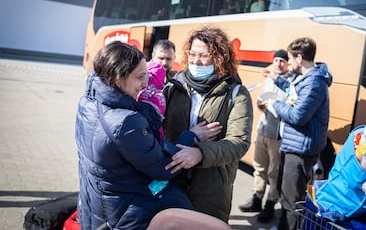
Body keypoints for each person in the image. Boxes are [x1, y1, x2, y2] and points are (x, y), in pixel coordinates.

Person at [75, 41, 197, 230]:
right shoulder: (126, 122)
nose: (145, 84)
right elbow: (163, 168)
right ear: (117, 78)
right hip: (122, 216)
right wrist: (190, 137)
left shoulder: (87, 102)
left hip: (95, 208)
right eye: (140, 77)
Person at [163, 26, 254, 223]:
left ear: (219, 57)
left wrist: (200, 153)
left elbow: (239, 142)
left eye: (203, 56)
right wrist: (192, 136)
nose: (195, 61)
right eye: (192, 54)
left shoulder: (236, 93)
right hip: (172, 181)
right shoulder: (174, 87)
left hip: (212, 189)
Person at [267, 37, 332, 230]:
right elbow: (295, 92)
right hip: (294, 144)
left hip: (300, 149)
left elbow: (297, 116)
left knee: (292, 199)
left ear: (299, 58)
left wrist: (274, 104)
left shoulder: (315, 83)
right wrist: (277, 81)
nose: (288, 63)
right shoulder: (307, 79)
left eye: (290, 58)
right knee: (285, 193)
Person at [238, 49, 296, 223]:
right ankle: (257, 199)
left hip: (277, 136)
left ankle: (270, 204)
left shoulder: (291, 82)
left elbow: (290, 108)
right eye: (276, 60)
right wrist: (260, 104)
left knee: (274, 172)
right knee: (259, 168)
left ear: (287, 63)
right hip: (262, 130)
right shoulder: (268, 79)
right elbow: (264, 102)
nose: (278, 64)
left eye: (282, 61)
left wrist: (273, 105)